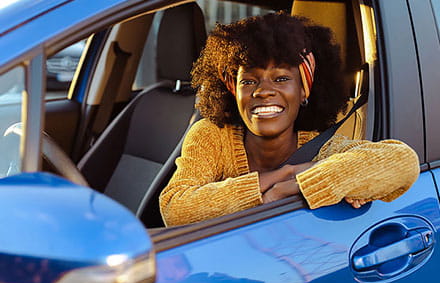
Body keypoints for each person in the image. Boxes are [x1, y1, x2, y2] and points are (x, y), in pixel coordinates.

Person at [159, 12, 420, 227]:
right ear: (232, 90)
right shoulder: (211, 135)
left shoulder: (322, 148)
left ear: (304, 89)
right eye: (248, 81)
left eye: (281, 79)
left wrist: (291, 186)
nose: (263, 91)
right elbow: (175, 209)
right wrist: (279, 176)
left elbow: (403, 162)